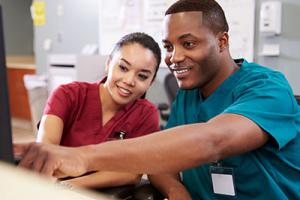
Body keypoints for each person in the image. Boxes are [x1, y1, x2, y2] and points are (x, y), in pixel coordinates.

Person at [15, 0, 300, 199]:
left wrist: (82, 156)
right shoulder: (188, 96)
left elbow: (213, 140)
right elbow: (163, 160)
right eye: (169, 46)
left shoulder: (268, 88)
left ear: (222, 42)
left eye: (188, 44)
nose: (174, 57)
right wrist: (176, 191)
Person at [34, 32, 162, 189]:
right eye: (123, 68)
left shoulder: (146, 114)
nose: (129, 81)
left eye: (142, 76)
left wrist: (68, 186)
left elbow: (131, 173)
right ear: (108, 63)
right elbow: (45, 153)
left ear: (151, 81)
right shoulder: (68, 95)